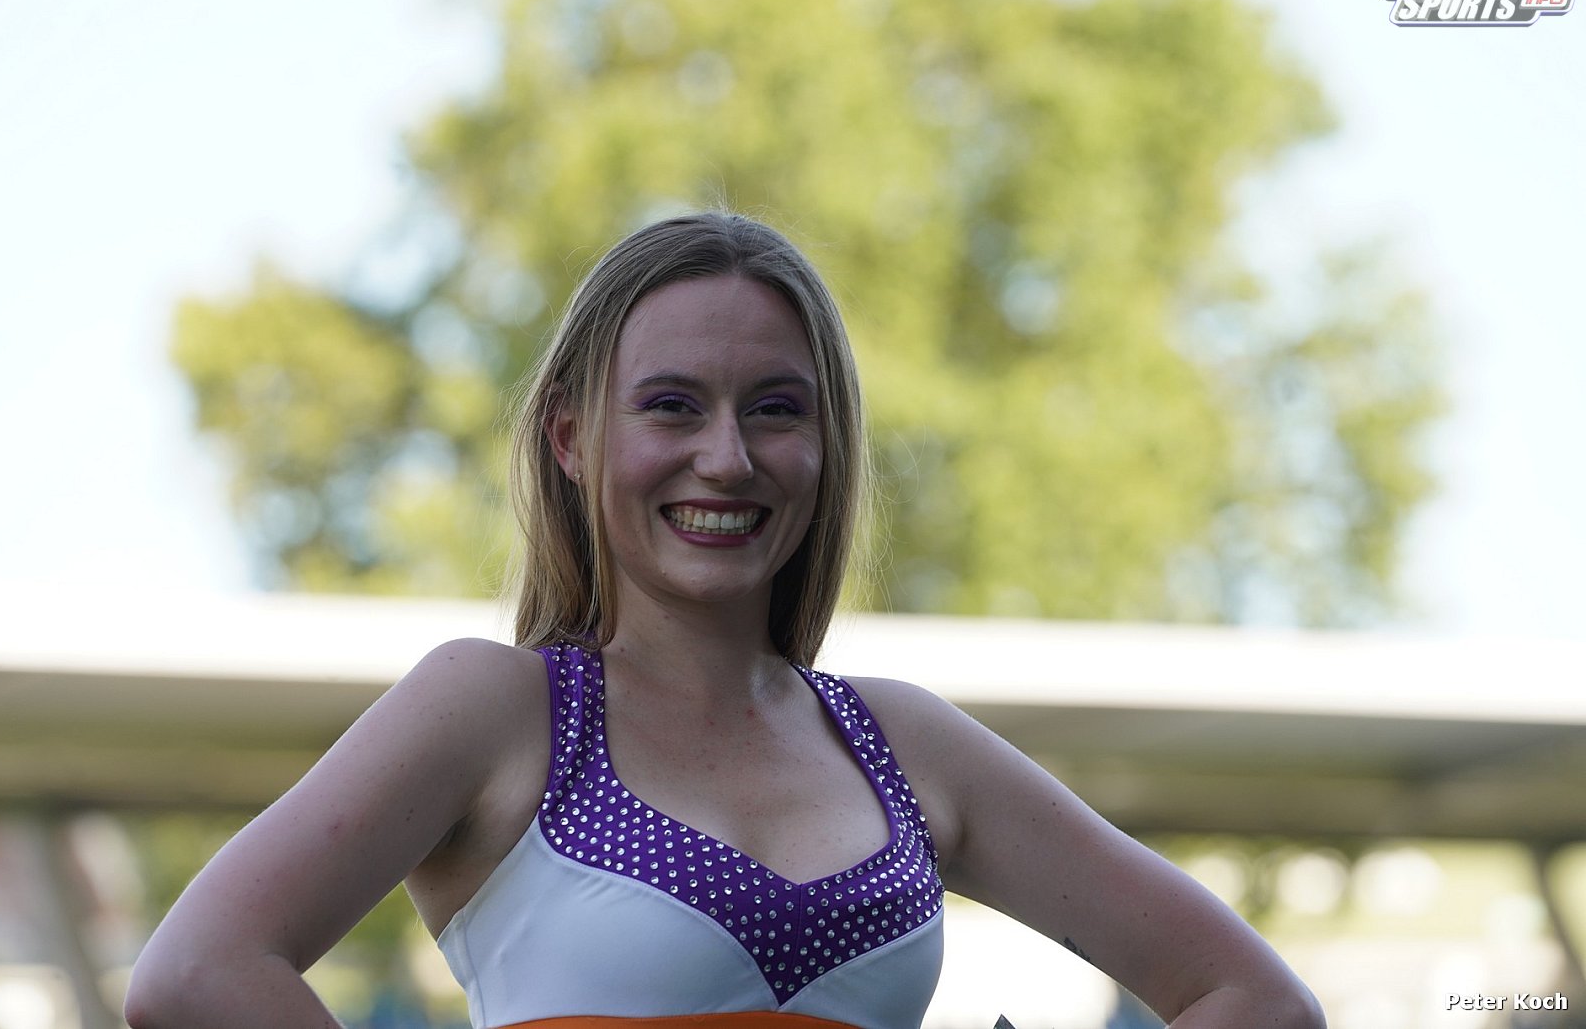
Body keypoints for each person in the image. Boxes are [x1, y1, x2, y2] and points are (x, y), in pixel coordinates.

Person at [124, 212, 1325, 1029]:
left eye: (775, 408)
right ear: (572, 437)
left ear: (826, 443)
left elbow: (1257, 999)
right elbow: (194, 973)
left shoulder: (903, 741)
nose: (727, 456)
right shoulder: (497, 708)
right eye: (670, 404)